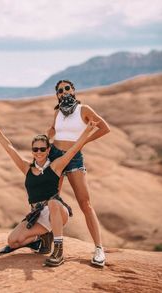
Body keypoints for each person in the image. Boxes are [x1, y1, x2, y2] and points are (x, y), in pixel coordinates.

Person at [0, 110, 97, 267]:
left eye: (42, 149)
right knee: (13, 241)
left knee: (53, 203)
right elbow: (9, 147)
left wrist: (87, 130)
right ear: (32, 151)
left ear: (48, 150)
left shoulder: (56, 166)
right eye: (35, 149)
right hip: (38, 215)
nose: (39, 152)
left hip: (57, 212)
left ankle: (58, 251)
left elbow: (74, 149)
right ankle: (42, 238)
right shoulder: (26, 167)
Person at [45, 79, 110, 267]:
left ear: (73, 90)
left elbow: (104, 128)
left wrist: (83, 142)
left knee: (85, 203)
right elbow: (53, 130)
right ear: (57, 94)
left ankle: (99, 249)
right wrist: (44, 138)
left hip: (74, 159)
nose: (64, 92)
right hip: (55, 157)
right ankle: (51, 243)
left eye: (67, 88)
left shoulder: (84, 109)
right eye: (60, 90)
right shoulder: (57, 111)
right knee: (52, 200)